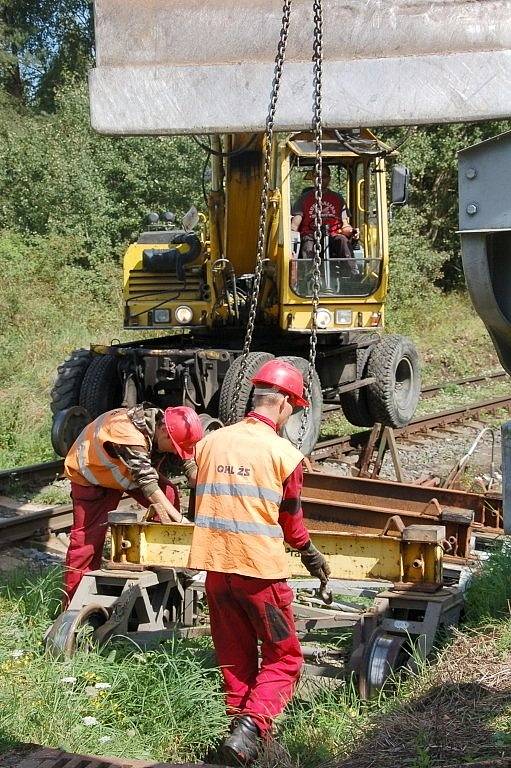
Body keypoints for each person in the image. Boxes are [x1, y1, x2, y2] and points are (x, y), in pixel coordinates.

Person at [188, 359, 331, 765]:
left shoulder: (212, 442)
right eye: (295, 409)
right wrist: (309, 553)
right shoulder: (284, 454)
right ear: (284, 403)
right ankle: (251, 729)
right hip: (260, 575)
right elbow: (291, 520)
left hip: (216, 569)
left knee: (235, 658)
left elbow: (202, 500)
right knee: (285, 659)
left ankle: (239, 744)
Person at [63, 403, 203, 604]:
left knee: (169, 494)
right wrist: (181, 521)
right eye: (173, 447)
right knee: (86, 545)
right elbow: (148, 485)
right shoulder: (128, 434)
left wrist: (196, 476)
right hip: (91, 475)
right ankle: (72, 605)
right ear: (163, 430)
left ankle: (158, 565)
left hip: (122, 470)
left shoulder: (164, 422)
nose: (174, 452)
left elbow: (186, 457)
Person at [291, 165, 358, 270]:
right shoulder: (303, 199)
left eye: (324, 176)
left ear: (329, 178)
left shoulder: (338, 199)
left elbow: (345, 225)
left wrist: (352, 231)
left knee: (343, 241)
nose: (321, 179)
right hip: (310, 235)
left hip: (332, 235)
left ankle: (352, 274)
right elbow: (295, 224)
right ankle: (309, 275)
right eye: (317, 176)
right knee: (308, 246)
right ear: (313, 178)